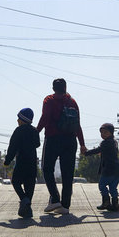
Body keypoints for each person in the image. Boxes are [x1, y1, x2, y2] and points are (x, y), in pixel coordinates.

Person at [37, 78, 86, 215]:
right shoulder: (72, 102)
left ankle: (54, 198)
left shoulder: (49, 100)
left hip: (53, 139)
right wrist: (82, 144)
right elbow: (77, 124)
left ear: (53, 88)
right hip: (70, 141)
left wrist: (36, 132)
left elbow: (45, 117)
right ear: (65, 87)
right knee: (68, 174)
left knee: (47, 169)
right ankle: (64, 206)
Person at [3, 108, 40, 218]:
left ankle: (24, 199)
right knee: (30, 185)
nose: (17, 120)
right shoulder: (34, 131)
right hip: (32, 163)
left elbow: (12, 148)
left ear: (23, 120)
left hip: (21, 162)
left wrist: (7, 161)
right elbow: (37, 144)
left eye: (19, 118)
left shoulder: (18, 131)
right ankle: (27, 208)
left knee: (15, 181)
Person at [84, 123, 119, 212]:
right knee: (113, 188)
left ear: (111, 133)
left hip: (108, 169)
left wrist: (86, 153)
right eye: (101, 132)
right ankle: (115, 205)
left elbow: (98, 150)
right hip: (116, 170)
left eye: (105, 132)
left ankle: (106, 202)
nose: (103, 134)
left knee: (102, 185)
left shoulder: (106, 143)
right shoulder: (114, 142)